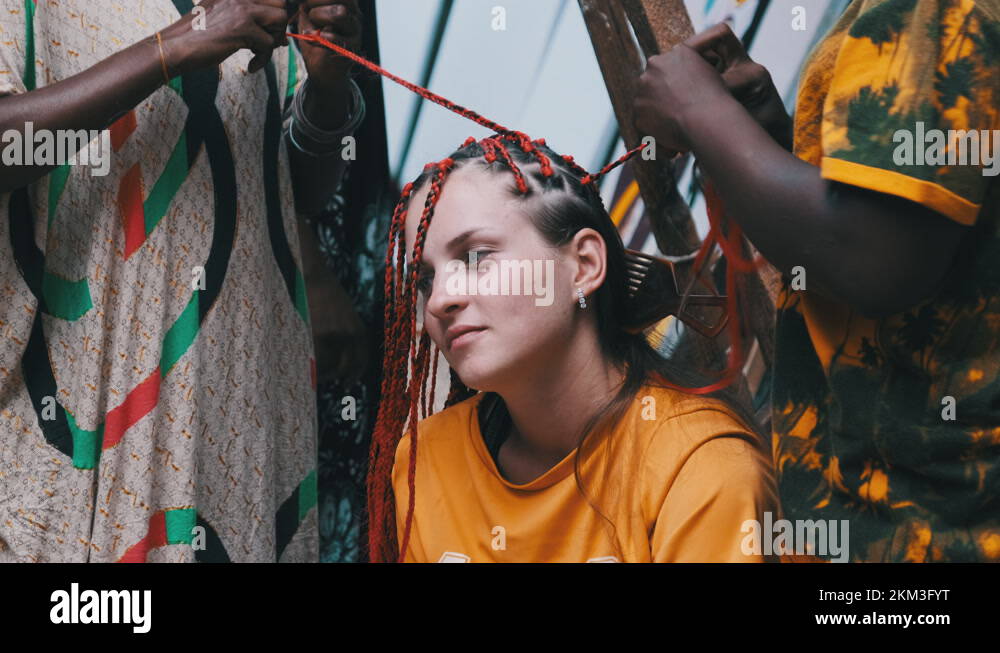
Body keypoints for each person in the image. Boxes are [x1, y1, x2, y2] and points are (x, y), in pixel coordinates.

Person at [0, 0, 367, 561]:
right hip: (86, 389)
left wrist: (326, 88)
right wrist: (174, 47)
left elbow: (297, 192)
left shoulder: (264, 6)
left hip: (240, 405)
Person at [633, 0, 999, 561]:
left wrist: (698, 110)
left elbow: (875, 258)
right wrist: (764, 138)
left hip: (935, 531)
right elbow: (911, 222)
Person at [367, 135, 778, 563]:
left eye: (476, 257)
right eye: (425, 280)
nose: (438, 301)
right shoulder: (425, 460)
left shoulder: (700, 468)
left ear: (584, 265)